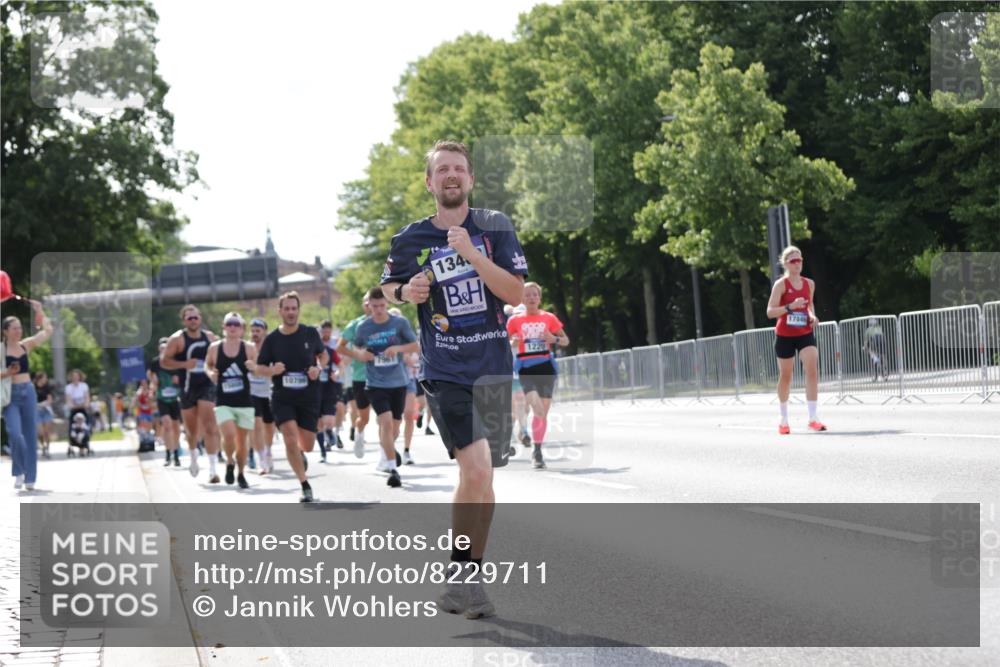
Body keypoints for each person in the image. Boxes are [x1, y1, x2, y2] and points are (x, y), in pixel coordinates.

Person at [381, 140, 528, 618]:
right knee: (477, 470)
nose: (450, 176)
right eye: (441, 169)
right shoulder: (409, 240)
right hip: (444, 369)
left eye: (458, 169)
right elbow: (387, 287)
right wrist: (407, 290)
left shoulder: (494, 228)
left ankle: (466, 578)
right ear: (429, 182)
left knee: (484, 483)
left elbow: (514, 292)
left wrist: (471, 253)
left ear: (470, 180)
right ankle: (463, 576)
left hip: (492, 368)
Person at [254, 291, 327, 502]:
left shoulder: (310, 333)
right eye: (286, 309)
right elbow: (259, 369)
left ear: (298, 310)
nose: (291, 312)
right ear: (280, 312)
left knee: (307, 444)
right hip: (282, 396)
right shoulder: (272, 340)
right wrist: (272, 370)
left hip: (308, 395)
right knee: (290, 438)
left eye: (294, 308)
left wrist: (317, 368)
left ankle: (300, 454)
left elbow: (322, 355)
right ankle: (304, 484)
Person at [345, 289, 418, 487]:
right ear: (369, 305)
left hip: (398, 382)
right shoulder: (364, 327)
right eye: (374, 306)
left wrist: (398, 349)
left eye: (382, 306)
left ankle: (385, 451)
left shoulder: (399, 323)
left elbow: (415, 346)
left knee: (395, 427)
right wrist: (361, 355)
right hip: (375, 383)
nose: (378, 310)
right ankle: (393, 468)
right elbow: (356, 347)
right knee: (385, 423)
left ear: (386, 304)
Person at [506, 282, 570, 469]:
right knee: (537, 408)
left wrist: (554, 339)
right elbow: (502, 342)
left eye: (535, 295)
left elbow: (565, 340)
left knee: (543, 412)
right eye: (527, 295)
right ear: (522, 299)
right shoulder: (514, 321)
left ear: (539, 298)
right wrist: (512, 341)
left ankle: (537, 450)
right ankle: (536, 451)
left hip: (546, 368)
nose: (531, 298)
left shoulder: (549, 318)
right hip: (526, 368)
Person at [766, 245, 827, 434]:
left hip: (804, 333)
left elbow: (810, 305)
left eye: (800, 260)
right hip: (784, 335)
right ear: (786, 264)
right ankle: (783, 419)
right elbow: (770, 312)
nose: (797, 263)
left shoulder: (809, 283)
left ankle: (813, 417)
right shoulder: (781, 285)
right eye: (793, 260)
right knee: (786, 376)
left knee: (812, 370)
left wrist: (812, 316)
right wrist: (790, 307)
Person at [161, 305, 222, 482]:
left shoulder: (209, 337)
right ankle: (194, 457)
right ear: (184, 321)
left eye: (195, 318)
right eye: (189, 318)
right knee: (192, 429)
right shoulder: (177, 339)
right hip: (187, 388)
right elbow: (164, 361)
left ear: (200, 319)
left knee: (210, 426)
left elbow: (219, 357)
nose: (193, 321)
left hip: (206, 385)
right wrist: (183, 365)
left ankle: (212, 469)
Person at [2, 301, 53, 490]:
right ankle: (19, 471)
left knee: (30, 435)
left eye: (20, 328)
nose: (18, 331)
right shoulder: (0, 350)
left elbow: (47, 332)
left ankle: (30, 477)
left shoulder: (26, 346)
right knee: (15, 434)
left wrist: (40, 310)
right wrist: (7, 373)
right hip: (10, 397)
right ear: (5, 331)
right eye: (14, 328)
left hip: (28, 392)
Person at [205, 312, 257, 490]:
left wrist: (254, 367)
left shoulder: (249, 348)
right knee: (228, 435)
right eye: (229, 324)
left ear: (242, 329)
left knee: (242, 442)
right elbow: (207, 364)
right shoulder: (214, 348)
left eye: (236, 324)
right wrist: (211, 373)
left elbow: (259, 368)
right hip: (223, 400)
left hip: (244, 400)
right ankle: (229, 460)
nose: (232, 327)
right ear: (224, 327)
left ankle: (241, 473)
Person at [337, 297, 373, 459]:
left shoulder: (392, 323)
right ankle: (358, 431)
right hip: (361, 377)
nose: (370, 306)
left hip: (387, 377)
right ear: (363, 305)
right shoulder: (355, 325)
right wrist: (357, 355)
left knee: (388, 419)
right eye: (366, 303)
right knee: (361, 415)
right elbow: (340, 348)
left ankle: (389, 460)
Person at [149, 338, 182, 467]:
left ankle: (176, 452)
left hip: (175, 398)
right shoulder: (155, 362)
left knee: (176, 427)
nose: (164, 351)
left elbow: (183, 376)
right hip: (162, 398)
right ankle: (168, 454)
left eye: (166, 348)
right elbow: (151, 376)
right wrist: (154, 382)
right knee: (167, 425)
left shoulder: (175, 361)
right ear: (159, 350)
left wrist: (178, 380)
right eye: (161, 349)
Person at [249, 318, 276, 474]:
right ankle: (261, 459)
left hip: (269, 391)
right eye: (252, 331)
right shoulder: (247, 348)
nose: (255, 334)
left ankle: (268, 450)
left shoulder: (271, 348)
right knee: (256, 424)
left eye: (258, 331)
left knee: (269, 425)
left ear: (264, 332)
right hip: (252, 392)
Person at [315, 320, 343, 462]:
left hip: (329, 388)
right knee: (318, 423)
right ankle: (322, 452)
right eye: (323, 332)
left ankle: (329, 431)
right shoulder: (311, 353)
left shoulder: (331, 351)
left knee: (329, 420)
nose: (325, 334)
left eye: (328, 331)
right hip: (314, 391)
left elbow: (341, 366)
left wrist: (337, 374)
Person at [34, 371, 54, 459]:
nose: (46, 379)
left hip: (46, 411)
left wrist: (42, 404)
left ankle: (47, 448)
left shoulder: (47, 388)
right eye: (44, 377)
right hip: (36, 411)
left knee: (47, 432)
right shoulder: (33, 387)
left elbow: (50, 400)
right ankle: (43, 446)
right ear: (40, 378)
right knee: (40, 432)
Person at [863, 317, 888, 382]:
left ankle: (875, 359)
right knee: (883, 357)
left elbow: (866, 342)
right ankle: (885, 374)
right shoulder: (879, 328)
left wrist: (865, 348)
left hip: (875, 341)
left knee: (873, 355)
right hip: (883, 340)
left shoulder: (868, 330)